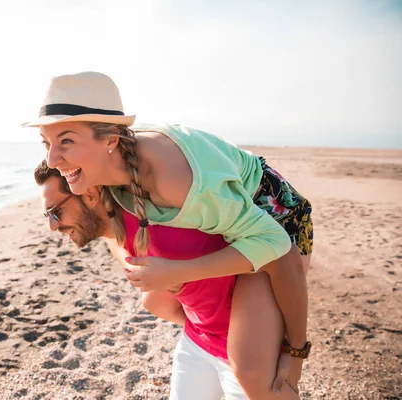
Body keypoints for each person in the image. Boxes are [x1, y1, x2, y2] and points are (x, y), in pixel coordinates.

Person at [25, 72, 313, 398]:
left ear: (109, 140)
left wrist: (177, 272)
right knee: (155, 300)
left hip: (277, 217)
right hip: (233, 215)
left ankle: (294, 355)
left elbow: (275, 245)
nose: (51, 158)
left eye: (66, 141)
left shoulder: (171, 180)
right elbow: (110, 231)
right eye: (47, 144)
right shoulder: (104, 172)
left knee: (249, 368)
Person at [34, 162, 305, 399]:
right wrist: (140, 269)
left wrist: (295, 351)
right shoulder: (118, 224)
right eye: (47, 216)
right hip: (196, 341)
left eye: (55, 213)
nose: (52, 226)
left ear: (91, 193)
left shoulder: (163, 214)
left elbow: (279, 254)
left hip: (248, 351)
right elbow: (116, 241)